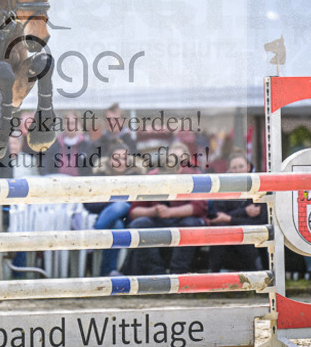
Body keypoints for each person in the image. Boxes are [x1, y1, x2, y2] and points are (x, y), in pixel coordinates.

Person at [121, 141, 208, 276]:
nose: (176, 162)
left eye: (181, 159)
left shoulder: (194, 176)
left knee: (190, 224)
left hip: (184, 223)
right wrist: (154, 211)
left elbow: (198, 207)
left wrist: (170, 212)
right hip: (157, 221)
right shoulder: (152, 177)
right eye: (172, 157)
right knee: (139, 224)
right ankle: (157, 275)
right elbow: (134, 211)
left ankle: (178, 275)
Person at [84, 140, 135, 276]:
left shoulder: (135, 178)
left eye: (124, 158)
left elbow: (136, 203)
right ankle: (108, 272)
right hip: (107, 217)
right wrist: (111, 203)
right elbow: (88, 203)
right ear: (109, 160)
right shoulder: (99, 177)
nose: (120, 162)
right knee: (117, 224)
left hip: (128, 217)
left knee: (122, 205)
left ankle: (95, 234)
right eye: (116, 158)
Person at [208, 153, 266, 272]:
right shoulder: (222, 188)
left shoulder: (259, 187)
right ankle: (212, 278)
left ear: (248, 167)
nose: (238, 170)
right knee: (221, 229)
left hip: (251, 238)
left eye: (241, 166)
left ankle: (257, 279)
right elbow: (217, 217)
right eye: (234, 168)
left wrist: (230, 218)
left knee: (243, 231)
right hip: (227, 238)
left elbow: (261, 221)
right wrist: (244, 211)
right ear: (229, 170)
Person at [42, 111, 94, 176]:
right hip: (57, 183)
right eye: (67, 123)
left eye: (73, 123)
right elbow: (46, 166)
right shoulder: (55, 145)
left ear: (79, 125)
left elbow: (91, 169)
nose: (70, 127)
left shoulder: (87, 145)